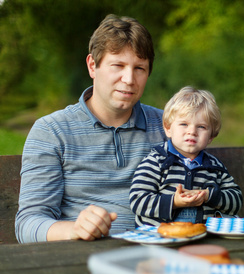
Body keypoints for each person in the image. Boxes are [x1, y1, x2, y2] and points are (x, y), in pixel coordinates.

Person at [15, 14, 166, 243]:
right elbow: (28, 224)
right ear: (92, 66)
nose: (129, 79)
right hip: (81, 258)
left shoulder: (168, 126)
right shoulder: (51, 132)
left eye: (140, 68)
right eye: (118, 65)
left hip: (158, 257)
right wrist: (75, 229)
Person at [130, 86, 243, 227]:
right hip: (159, 238)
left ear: (211, 137)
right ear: (168, 128)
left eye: (201, 127)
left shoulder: (214, 167)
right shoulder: (156, 162)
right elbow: (138, 200)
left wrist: (209, 196)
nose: (192, 131)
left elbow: (236, 200)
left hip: (203, 238)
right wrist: (174, 202)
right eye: (184, 124)